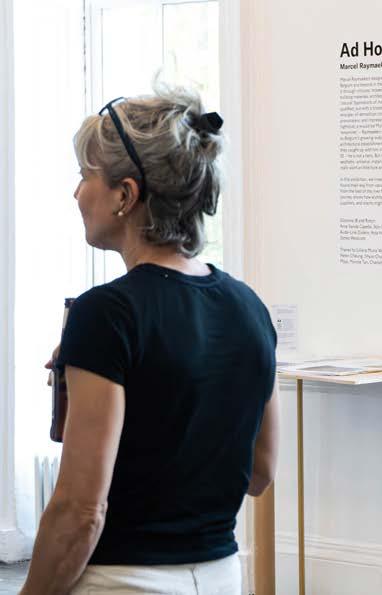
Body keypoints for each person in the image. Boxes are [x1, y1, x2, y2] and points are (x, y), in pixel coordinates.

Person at [20, 86, 279, 595]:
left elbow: (80, 511)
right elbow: (259, 472)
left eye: (84, 176)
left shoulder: (106, 314)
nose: (76, 194)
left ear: (125, 194)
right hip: (221, 577)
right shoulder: (249, 308)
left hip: (123, 580)